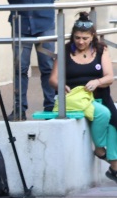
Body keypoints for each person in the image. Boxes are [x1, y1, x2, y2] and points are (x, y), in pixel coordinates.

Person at [48, 13, 117, 184]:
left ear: (92, 36)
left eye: (85, 38)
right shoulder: (64, 51)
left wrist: (98, 81)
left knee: (115, 123)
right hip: (76, 97)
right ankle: (104, 155)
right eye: (77, 38)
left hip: (99, 95)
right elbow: (52, 79)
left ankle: (113, 166)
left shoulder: (101, 50)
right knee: (103, 116)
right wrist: (60, 85)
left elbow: (109, 77)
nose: (80, 42)